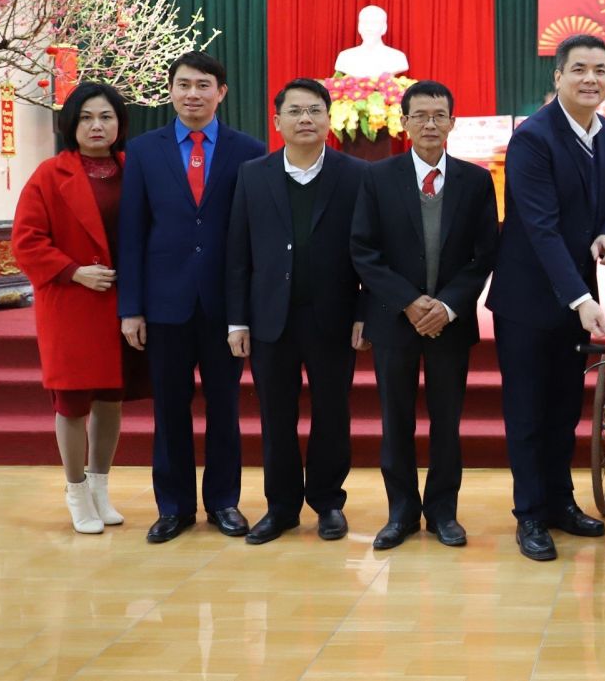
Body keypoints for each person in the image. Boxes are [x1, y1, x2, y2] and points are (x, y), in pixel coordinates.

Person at [487, 33, 605, 562]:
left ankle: (560, 502)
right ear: (558, 76)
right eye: (580, 69)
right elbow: (540, 228)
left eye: (600, 70)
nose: (591, 79)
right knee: (527, 412)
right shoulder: (533, 138)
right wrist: (580, 298)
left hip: (576, 298)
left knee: (565, 410)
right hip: (529, 302)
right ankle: (529, 514)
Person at [119, 52, 266, 543]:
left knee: (225, 407)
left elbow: (254, 235)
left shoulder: (249, 151)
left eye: (203, 85)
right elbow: (132, 233)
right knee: (169, 409)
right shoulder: (144, 151)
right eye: (183, 84)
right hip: (165, 304)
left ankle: (224, 502)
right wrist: (131, 308)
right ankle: (174, 507)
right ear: (170, 90)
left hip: (225, 305)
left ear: (221, 92)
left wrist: (247, 309)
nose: (192, 94)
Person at [350, 80, 498, 550]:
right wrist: (410, 302)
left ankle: (442, 513)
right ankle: (400, 513)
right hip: (395, 320)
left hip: (450, 323)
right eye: (420, 116)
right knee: (395, 421)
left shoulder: (476, 181)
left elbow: (484, 254)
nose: (430, 124)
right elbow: (364, 250)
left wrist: (447, 306)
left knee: (446, 422)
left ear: (452, 122)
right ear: (404, 123)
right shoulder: (377, 177)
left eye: (439, 116)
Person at [225, 79, 368, 544]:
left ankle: (328, 502)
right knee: (276, 415)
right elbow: (238, 253)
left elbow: (371, 252)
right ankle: (281, 507)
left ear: (329, 118)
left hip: (333, 317)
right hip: (271, 318)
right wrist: (237, 320)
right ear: (277, 121)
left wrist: (364, 312)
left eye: (314, 110)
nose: (305, 119)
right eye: (295, 111)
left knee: (332, 412)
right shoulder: (253, 174)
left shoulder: (356, 175)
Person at [12, 83, 148, 533]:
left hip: (125, 303)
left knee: (111, 398)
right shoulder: (50, 174)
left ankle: (99, 487)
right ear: (71, 123)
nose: (96, 126)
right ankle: (75, 490)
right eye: (87, 117)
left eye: (106, 117)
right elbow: (26, 241)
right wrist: (73, 271)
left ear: (119, 124)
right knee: (72, 401)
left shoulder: (134, 170)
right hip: (73, 303)